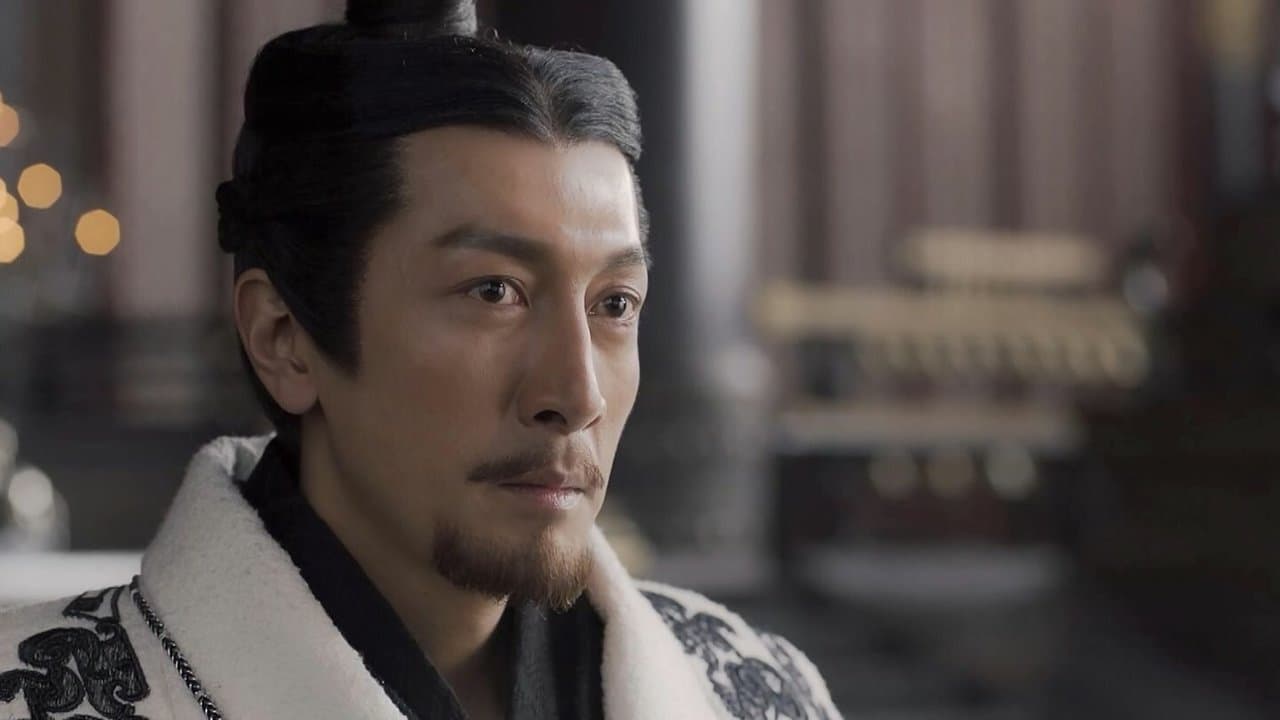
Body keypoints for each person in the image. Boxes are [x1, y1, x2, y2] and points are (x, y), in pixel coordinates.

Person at [0, 1, 840, 718]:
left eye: (614, 304)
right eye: (493, 291)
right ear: (283, 338)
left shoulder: (756, 692)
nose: (576, 392)